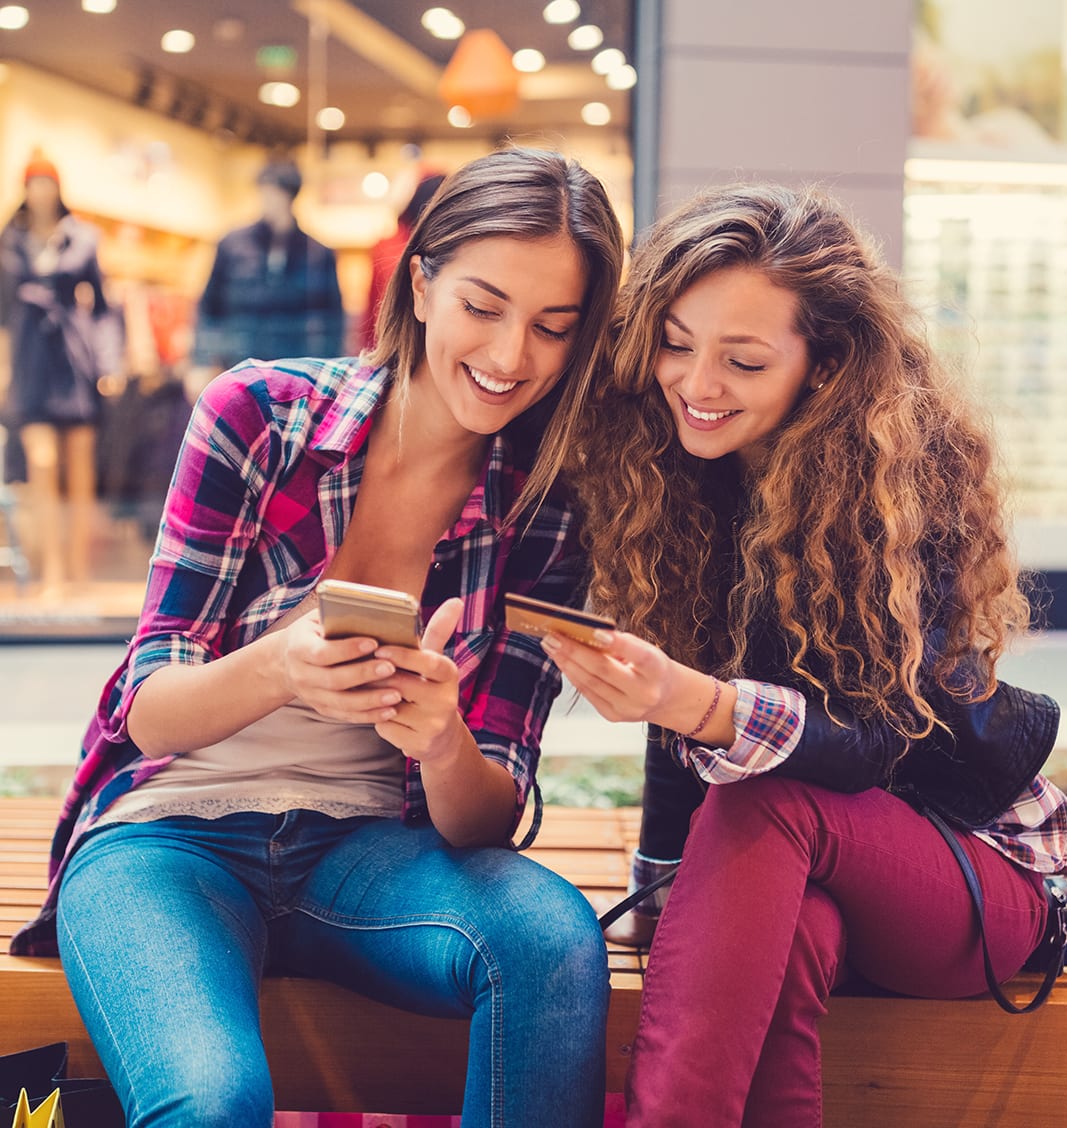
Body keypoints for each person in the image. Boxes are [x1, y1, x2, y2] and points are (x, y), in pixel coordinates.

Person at [11, 146, 625, 1128]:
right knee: (212, 1101)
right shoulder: (257, 417)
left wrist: (441, 740)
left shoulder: (547, 512)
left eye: (553, 328)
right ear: (419, 281)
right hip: (168, 840)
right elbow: (152, 712)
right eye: (485, 305)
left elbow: (486, 823)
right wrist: (283, 667)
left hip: (368, 853)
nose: (513, 356)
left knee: (550, 939)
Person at [545, 183, 1067, 1126]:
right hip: (807, 882)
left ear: (827, 364)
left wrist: (699, 706)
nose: (696, 383)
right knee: (787, 937)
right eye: (676, 344)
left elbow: (868, 750)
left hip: (970, 881)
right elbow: (679, 728)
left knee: (767, 791)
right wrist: (660, 898)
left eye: (743, 359)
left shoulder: (895, 493)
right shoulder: (682, 487)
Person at [0, 150, 121, 590]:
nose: (41, 191)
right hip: (30, 363)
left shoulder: (83, 238)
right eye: (34, 183)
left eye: (47, 182)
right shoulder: (8, 241)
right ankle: (50, 570)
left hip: (75, 361)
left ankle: (78, 571)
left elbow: (106, 308)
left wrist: (109, 362)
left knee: (80, 468)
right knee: (42, 464)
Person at [189, 157, 344, 395]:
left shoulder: (317, 254)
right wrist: (200, 361)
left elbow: (332, 318)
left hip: (295, 372)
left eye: (276, 192)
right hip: (239, 365)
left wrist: (333, 372)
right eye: (264, 192)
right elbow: (210, 307)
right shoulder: (232, 245)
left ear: (290, 196)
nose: (268, 200)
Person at [354, 168, 447, 352]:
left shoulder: (386, 246)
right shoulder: (449, 249)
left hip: (390, 345)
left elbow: (372, 308)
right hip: (412, 346)